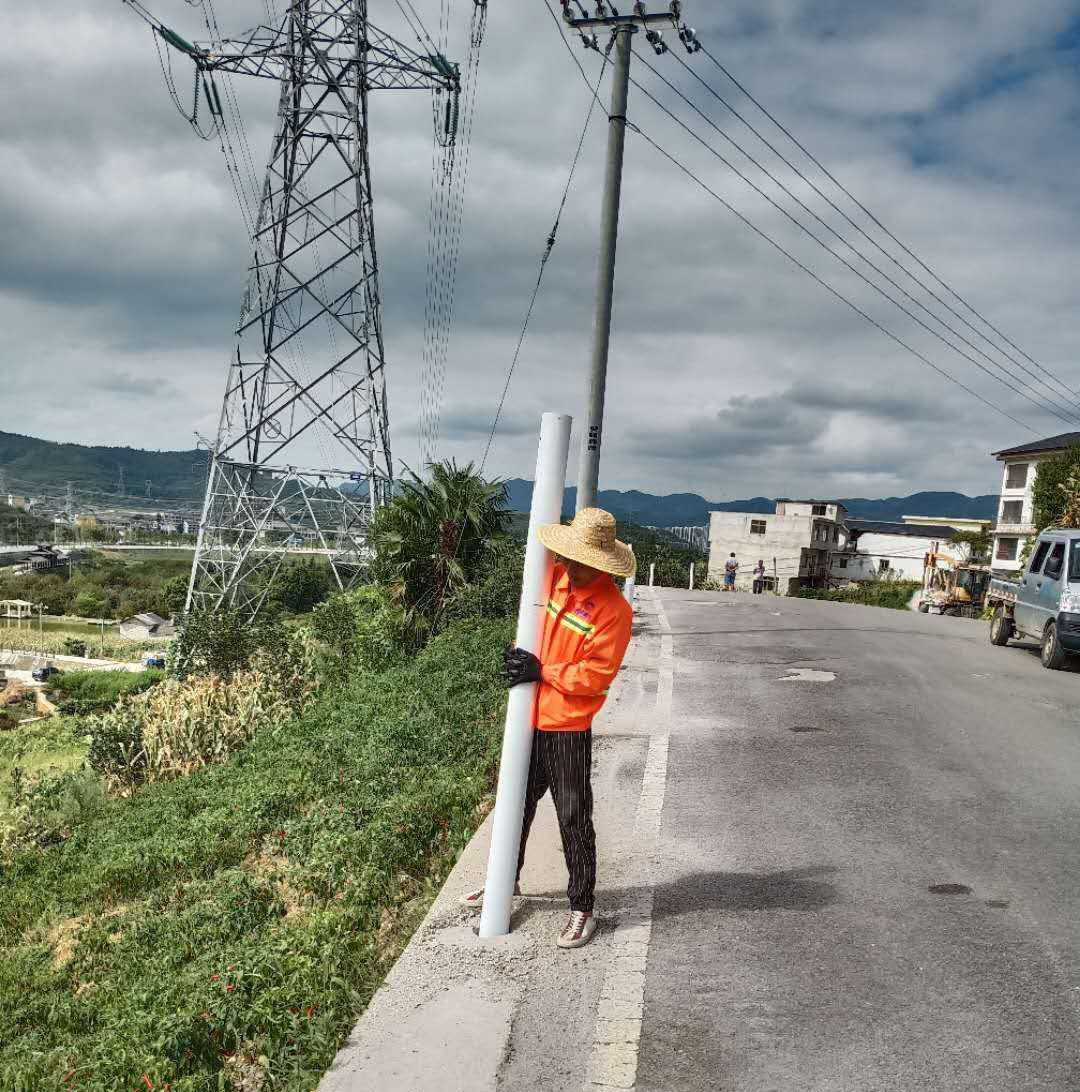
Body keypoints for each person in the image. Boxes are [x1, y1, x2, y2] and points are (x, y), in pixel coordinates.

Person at [459, 507, 635, 949]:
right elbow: (530, 626)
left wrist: (543, 670)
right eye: (569, 558)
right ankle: (503, 882)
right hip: (527, 718)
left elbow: (594, 676)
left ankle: (582, 906)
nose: (570, 567)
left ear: (601, 564)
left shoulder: (613, 611)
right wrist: (520, 657)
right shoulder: (553, 578)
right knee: (514, 805)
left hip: (567, 728)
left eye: (579, 562)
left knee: (573, 817)